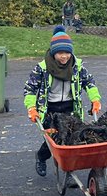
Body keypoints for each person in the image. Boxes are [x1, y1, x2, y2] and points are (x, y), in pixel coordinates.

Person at [24, 26, 102, 177]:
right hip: (49, 109)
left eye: (67, 52)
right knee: (55, 139)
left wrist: (95, 100)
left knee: (72, 139)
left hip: (70, 107)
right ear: (54, 53)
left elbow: (89, 83)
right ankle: (41, 157)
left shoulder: (77, 67)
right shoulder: (42, 68)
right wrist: (31, 108)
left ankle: (69, 172)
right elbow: (30, 89)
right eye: (60, 53)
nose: (64, 56)